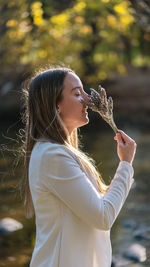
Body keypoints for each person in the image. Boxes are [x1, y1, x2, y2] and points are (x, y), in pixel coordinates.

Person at [22, 67, 136, 267]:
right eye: (77, 93)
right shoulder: (52, 156)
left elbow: (96, 208)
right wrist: (125, 164)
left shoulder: (58, 152)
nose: (89, 100)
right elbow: (103, 217)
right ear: (55, 105)